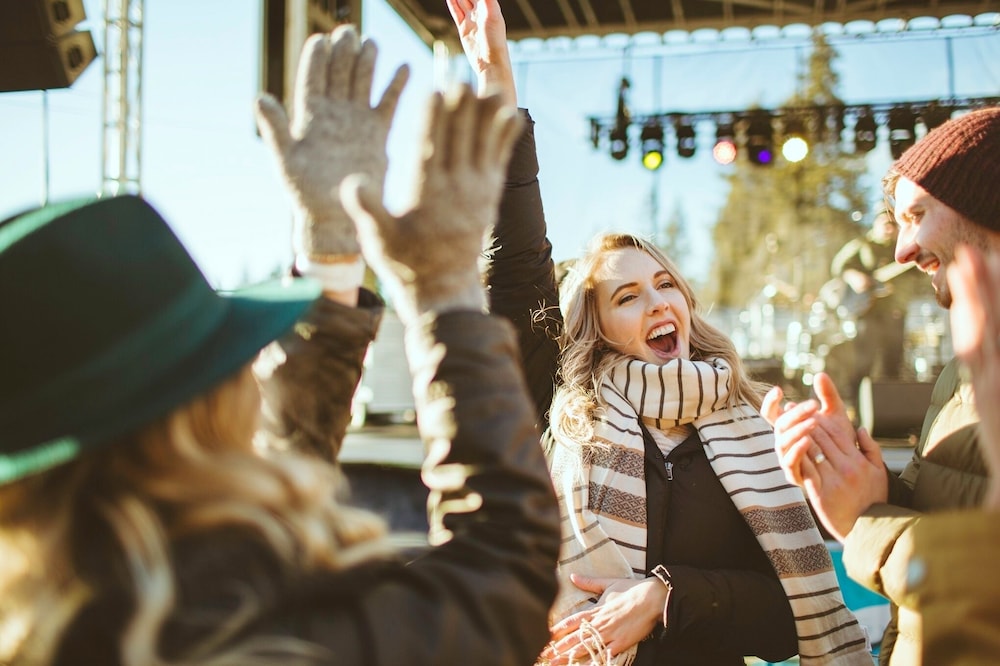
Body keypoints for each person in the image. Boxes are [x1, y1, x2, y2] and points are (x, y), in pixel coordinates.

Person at [0, 24, 561, 665]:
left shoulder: (62, 620)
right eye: (231, 355)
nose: (250, 372)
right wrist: (443, 291)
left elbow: (266, 496)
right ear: (197, 417)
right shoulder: (275, 642)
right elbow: (503, 567)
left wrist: (331, 256)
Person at [536, 233, 870, 665]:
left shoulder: (752, 434)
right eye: (628, 297)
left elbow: (792, 621)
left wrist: (666, 597)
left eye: (665, 284)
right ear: (599, 334)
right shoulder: (570, 433)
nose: (658, 303)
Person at [762, 105, 1000, 665]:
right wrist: (862, 481)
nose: (902, 251)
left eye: (918, 215)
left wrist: (866, 523)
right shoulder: (959, 375)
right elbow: (948, 508)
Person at [824, 208, 920, 405]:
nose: (889, 228)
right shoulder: (862, 245)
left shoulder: (901, 246)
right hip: (867, 312)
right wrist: (854, 277)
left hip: (894, 312)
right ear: (875, 224)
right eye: (885, 223)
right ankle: (858, 406)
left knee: (893, 361)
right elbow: (839, 266)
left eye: (892, 224)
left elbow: (916, 275)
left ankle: (891, 408)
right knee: (863, 362)